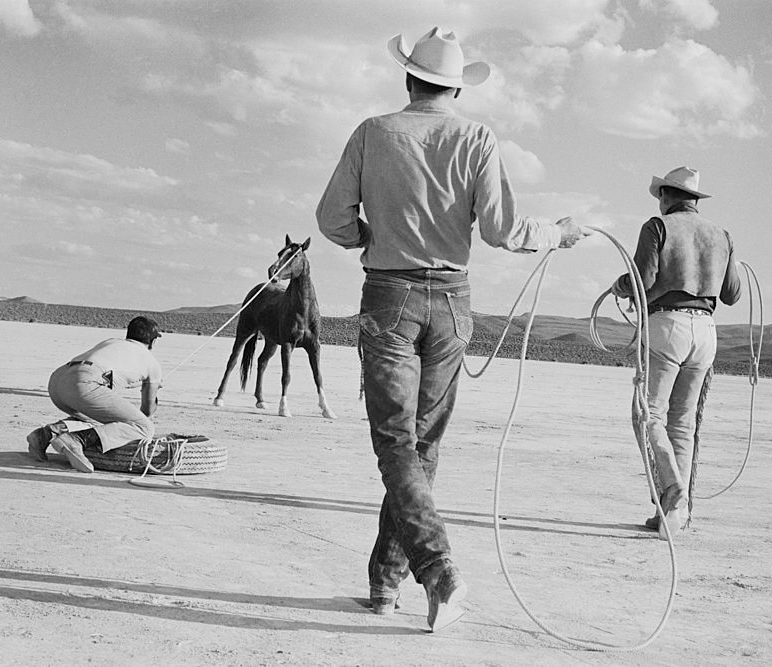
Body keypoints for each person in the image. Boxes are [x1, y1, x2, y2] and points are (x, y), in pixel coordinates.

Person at [316, 26, 591, 632]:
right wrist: (561, 233)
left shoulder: (373, 132)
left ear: (408, 78)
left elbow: (332, 219)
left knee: (395, 443)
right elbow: (502, 229)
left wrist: (369, 236)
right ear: (457, 90)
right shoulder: (478, 138)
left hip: (388, 294)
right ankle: (385, 587)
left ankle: (437, 572)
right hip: (452, 303)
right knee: (421, 445)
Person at [611, 166, 741, 539]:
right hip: (706, 332)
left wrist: (621, 286)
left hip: (668, 327)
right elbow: (732, 295)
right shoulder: (723, 235)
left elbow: (643, 278)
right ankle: (673, 514)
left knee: (647, 413)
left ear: (668, 195)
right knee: (681, 423)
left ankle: (671, 489)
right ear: (695, 201)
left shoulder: (657, 227)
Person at [26, 316, 163, 473]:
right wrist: (154, 389)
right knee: (144, 427)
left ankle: (45, 434)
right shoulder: (152, 363)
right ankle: (75, 440)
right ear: (152, 342)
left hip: (58, 380)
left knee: (103, 419)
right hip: (85, 383)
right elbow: (147, 411)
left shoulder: (111, 342)